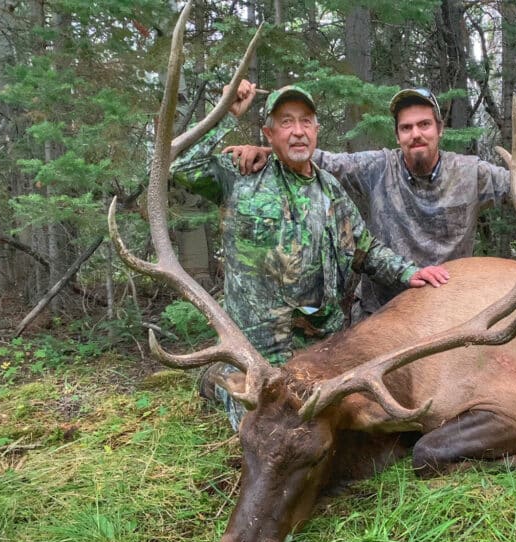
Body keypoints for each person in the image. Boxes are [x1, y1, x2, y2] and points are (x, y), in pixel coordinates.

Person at [171, 81, 450, 430]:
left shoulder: (330, 190)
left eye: (306, 122)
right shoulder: (239, 176)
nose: (298, 132)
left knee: (342, 427)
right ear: (269, 134)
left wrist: (409, 273)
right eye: (286, 122)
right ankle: (218, 380)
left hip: (322, 353)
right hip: (259, 354)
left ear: (317, 131)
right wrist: (226, 112)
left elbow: (364, 249)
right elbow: (178, 166)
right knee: (270, 430)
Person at [223, 85, 516, 322]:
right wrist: (266, 152)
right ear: (397, 135)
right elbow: (318, 158)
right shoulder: (377, 167)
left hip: (452, 310)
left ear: (439, 130)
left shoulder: (470, 172)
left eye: (424, 125)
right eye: (406, 127)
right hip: (384, 311)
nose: (416, 134)